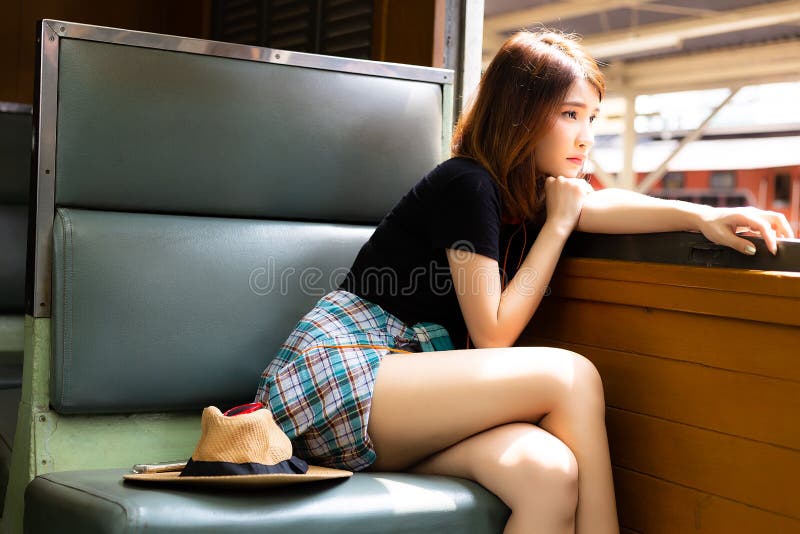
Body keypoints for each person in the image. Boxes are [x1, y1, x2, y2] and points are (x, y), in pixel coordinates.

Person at [255, 30, 794, 534]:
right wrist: (558, 226)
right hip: (339, 373)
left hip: (399, 401)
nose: (586, 136)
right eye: (569, 114)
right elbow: (492, 333)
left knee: (547, 473)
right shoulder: (466, 184)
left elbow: (603, 205)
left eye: (592, 117)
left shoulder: (529, 194)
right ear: (521, 115)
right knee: (571, 374)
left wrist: (698, 218)